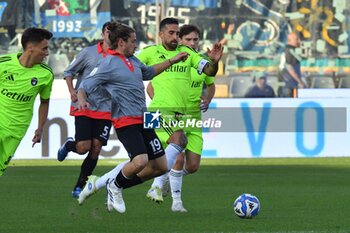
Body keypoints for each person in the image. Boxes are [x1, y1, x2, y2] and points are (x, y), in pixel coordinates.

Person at [76, 22, 189, 213]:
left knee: (161, 167)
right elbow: (84, 86)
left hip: (144, 118)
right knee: (140, 161)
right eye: (133, 41)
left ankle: (110, 182)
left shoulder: (133, 60)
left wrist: (173, 60)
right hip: (125, 120)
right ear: (121, 42)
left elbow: (149, 72)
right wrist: (81, 100)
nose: (136, 45)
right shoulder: (107, 63)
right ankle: (114, 186)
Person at [136, 18, 222, 212]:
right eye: (187, 38)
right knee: (175, 157)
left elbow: (210, 77)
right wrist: (157, 103)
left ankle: (111, 183)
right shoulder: (152, 53)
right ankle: (172, 199)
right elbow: (144, 80)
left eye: (195, 40)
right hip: (159, 113)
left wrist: (214, 63)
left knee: (191, 166)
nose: (192, 43)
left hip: (189, 117)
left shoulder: (192, 58)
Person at [57, 21, 117, 198]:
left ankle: (79, 185)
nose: (111, 34)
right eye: (109, 31)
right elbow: (68, 72)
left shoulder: (119, 55)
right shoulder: (89, 52)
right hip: (84, 104)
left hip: (106, 107)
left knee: (96, 147)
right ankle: (70, 144)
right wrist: (72, 91)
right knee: (83, 147)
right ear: (104, 33)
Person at [0, 27, 53, 176]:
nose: (47, 53)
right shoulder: (3, 64)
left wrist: (40, 128)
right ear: (31, 47)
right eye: (44, 48)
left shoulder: (46, 74)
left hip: (17, 129)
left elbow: (44, 102)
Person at [280, 32, 305, 97]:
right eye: (296, 39)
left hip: (290, 84)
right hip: (289, 85)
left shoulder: (289, 50)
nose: (299, 41)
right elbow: (289, 67)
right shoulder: (289, 50)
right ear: (290, 40)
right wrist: (299, 81)